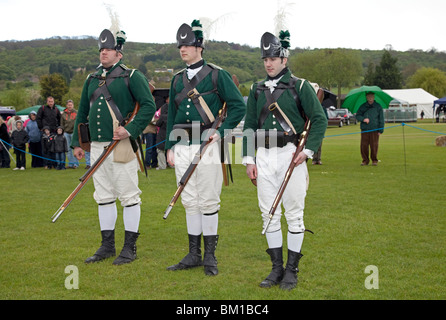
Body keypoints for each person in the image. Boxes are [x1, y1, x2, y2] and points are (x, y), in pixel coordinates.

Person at [243, 31, 327, 290]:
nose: (268, 63)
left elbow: (319, 119)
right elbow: (248, 125)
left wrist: (308, 151)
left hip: (291, 156)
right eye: (265, 58)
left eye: (273, 58)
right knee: (268, 215)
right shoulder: (256, 89)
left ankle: (292, 270)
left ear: (284, 58)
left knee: (294, 215)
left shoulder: (300, 86)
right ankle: (276, 269)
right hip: (263, 157)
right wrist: (249, 159)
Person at [165, 20, 246, 276]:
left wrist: (219, 132)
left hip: (209, 146)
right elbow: (171, 116)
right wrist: (169, 147)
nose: (182, 49)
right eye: (180, 45)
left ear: (199, 46)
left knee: (209, 199)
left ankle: (210, 256)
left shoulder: (216, 75)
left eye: (187, 44)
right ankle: (193, 254)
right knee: (189, 200)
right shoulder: (177, 79)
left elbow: (238, 107)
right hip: (182, 145)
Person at [71, 28, 156, 265]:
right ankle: (107, 246)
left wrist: (130, 129)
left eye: (108, 49)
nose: (103, 53)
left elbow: (148, 106)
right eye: (101, 49)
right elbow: (82, 113)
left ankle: (130, 248)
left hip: (121, 145)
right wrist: (77, 143)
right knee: (104, 196)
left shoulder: (132, 76)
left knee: (128, 195)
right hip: (97, 146)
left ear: (119, 53)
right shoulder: (92, 79)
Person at [355, 92, 384, 166]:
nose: (370, 98)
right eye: (368, 96)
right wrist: (363, 119)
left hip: (375, 129)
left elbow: (381, 119)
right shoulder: (363, 106)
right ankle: (365, 160)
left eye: (371, 96)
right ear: (366, 97)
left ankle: (374, 160)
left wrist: (381, 130)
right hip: (365, 129)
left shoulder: (378, 107)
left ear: (374, 97)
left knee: (374, 145)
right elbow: (358, 116)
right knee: (364, 146)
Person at [60, 100, 79, 169]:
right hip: (66, 132)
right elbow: (61, 124)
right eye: (68, 105)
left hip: (74, 132)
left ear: (73, 105)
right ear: (66, 105)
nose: (70, 106)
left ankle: (76, 164)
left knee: (75, 148)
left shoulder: (77, 112)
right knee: (68, 149)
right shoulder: (63, 114)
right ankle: (70, 164)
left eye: (71, 105)